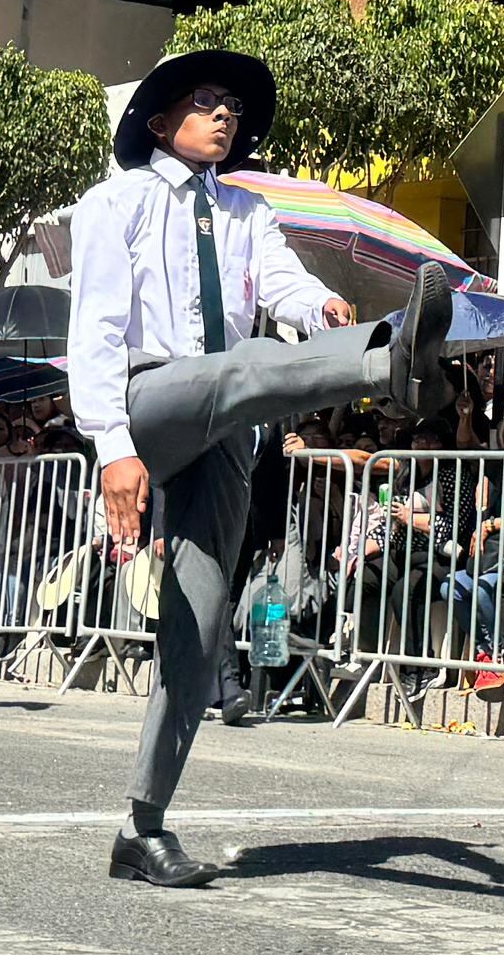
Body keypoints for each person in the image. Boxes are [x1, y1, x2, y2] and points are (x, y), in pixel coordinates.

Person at [70, 45, 466, 884]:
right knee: (246, 364)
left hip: (226, 428)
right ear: (158, 121)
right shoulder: (116, 203)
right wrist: (113, 447)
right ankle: (390, 363)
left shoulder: (248, 210)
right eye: (205, 100)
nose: (225, 113)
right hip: (150, 398)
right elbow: (96, 331)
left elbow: (283, 283)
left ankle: (143, 828)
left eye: (233, 106)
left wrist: (321, 305)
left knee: (200, 624)